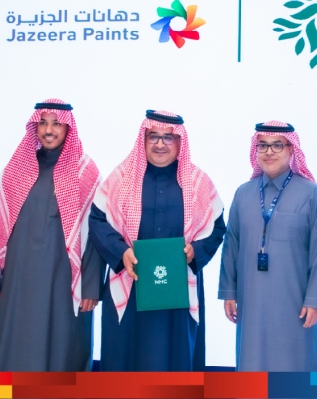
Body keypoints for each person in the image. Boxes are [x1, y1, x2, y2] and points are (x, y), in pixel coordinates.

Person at [90, 109, 226, 371]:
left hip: (178, 286)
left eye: (168, 138)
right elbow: (98, 220)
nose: (160, 144)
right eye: (153, 136)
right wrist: (121, 252)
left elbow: (217, 226)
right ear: (143, 139)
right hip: (130, 282)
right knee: (124, 358)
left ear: (179, 142)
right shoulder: (121, 178)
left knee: (175, 358)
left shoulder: (198, 183)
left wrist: (195, 251)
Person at [0, 99, 103, 371]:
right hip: (18, 280)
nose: (49, 130)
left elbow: (95, 235)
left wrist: (91, 287)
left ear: (68, 128)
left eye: (56, 124)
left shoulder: (85, 173)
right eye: (43, 123)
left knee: (63, 351)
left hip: (64, 282)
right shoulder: (16, 170)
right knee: (17, 349)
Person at [219, 121, 317, 371]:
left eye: (277, 145)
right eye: (263, 146)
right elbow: (231, 245)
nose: (269, 152)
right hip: (251, 299)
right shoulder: (243, 193)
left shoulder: (311, 194)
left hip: (295, 302)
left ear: (292, 150)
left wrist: (316, 300)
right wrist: (229, 291)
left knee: (295, 365)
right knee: (251, 363)